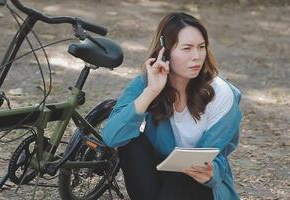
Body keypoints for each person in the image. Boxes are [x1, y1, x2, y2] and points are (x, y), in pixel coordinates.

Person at [102, 12, 242, 200]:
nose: (197, 56)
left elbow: (217, 156)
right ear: (165, 51)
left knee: (182, 174)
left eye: (201, 47)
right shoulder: (147, 82)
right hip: (161, 177)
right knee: (131, 143)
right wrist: (151, 91)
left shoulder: (221, 94)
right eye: (186, 48)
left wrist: (211, 172)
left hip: (199, 185)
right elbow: (112, 137)